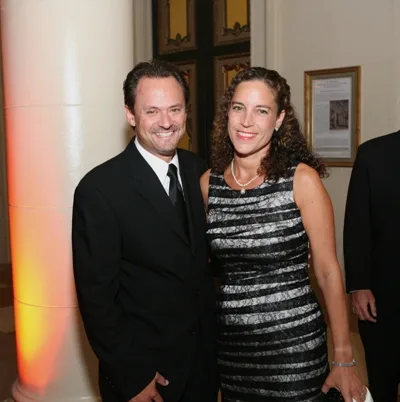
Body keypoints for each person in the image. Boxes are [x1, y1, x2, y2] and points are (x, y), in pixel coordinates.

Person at [200, 67, 366, 402]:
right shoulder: (208, 184)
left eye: (261, 111)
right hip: (232, 351)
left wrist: (343, 357)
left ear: (278, 120)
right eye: (238, 107)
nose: (246, 121)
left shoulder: (301, 181)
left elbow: (327, 270)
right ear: (227, 113)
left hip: (293, 349)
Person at [72, 60, 217, 402]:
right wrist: (132, 376)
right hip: (146, 374)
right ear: (131, 115)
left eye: (175, 109)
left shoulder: (198, 170)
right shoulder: (100, 189)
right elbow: (97, 300)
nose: (166, 122)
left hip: (202, 366)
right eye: (152, 111)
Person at [343, 130, 400, 402]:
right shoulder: (373, 154)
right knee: (382, 381)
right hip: (382, 300)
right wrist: (359, 285)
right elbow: (357, 224)